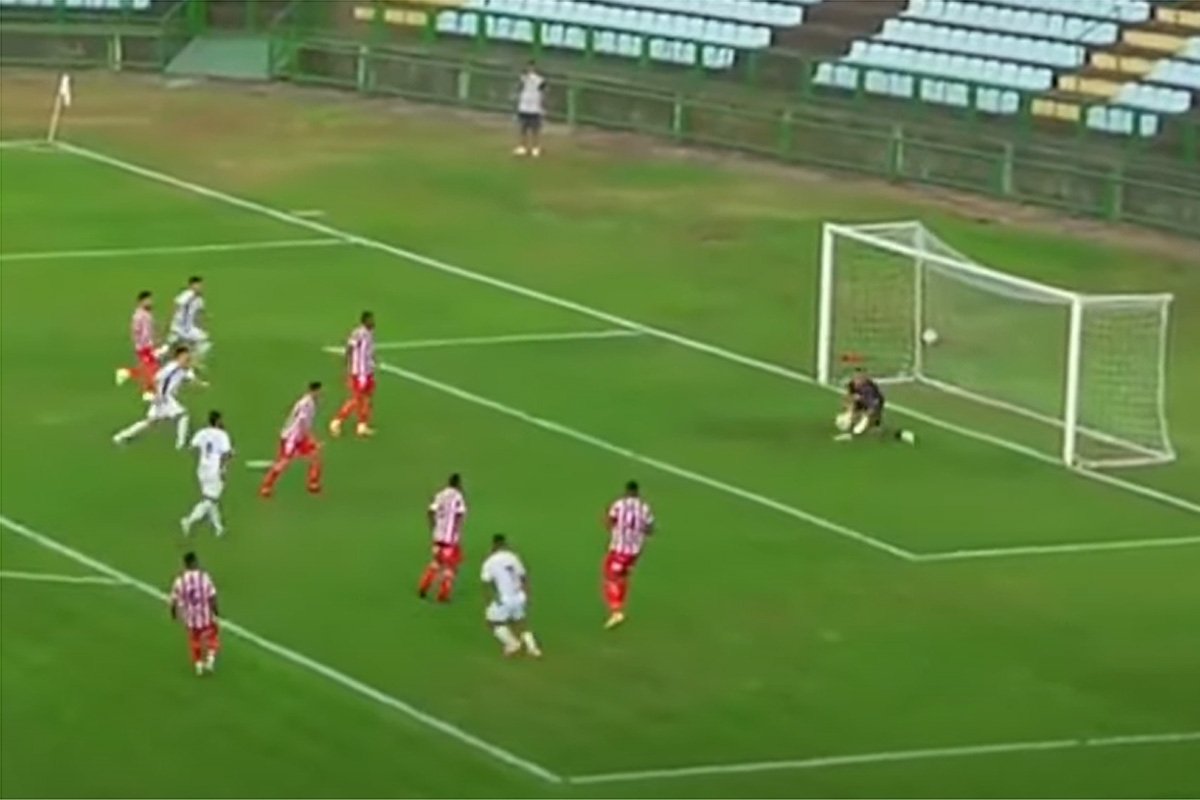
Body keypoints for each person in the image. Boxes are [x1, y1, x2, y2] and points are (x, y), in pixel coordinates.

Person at [112, 345, 202, 449]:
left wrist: (201, 383)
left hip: (163, 397)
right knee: (183, 415)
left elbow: (189, 377)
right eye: (185, 357)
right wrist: (157, 394)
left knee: (150, 422)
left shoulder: (184, 368)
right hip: (164, 397)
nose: (187, 358)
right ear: (178, 357)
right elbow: (156, 379)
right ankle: (181, 444)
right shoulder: (171, 367)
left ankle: (120, 436)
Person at [602, 480, 655, 630]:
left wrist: (615, 530)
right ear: (637, 492)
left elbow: (609, 521)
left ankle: (616, 611)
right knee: (622, 576)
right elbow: (650, 529)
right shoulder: (644, 508)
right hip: (635, 551)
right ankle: (620, 604)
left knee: (610, 576)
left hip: (619, 549)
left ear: (627, 491)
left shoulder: (619, 504)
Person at [480, 534, 541, 658]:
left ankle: (513, 644)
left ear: (494, 545)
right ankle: (533, 648)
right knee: (521, 622)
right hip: (519, 595)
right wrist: (527, 594)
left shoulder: (490, 561)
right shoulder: (513, 557)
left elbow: (486, 583)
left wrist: (488, 601)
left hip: (503, 598)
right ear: (504, 544)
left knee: (492, 622)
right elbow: (524, 576)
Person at [259, 381, 323, 497]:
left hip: (300, 437)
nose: (320, 393)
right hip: (291, 438)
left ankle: (313, 483)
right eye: (318, 391)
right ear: (313, 391)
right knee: (284, 462)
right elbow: (301, 422)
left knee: (315, 456)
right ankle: (266, 486)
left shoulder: (311, 402)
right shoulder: (306, 404)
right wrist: (310, 437)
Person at [182, 410, 233, 537]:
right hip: (214, 470)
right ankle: (188, 520)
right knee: (210, 500)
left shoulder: (202, 432)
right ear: (218, 421)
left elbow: (192, 447)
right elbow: (226, 454)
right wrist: (222, 469)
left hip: (202, 469)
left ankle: (219, 528)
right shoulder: (222, 435)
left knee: (210, 499)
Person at [418, 473, 467, 602]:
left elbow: (430, 511)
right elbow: (460, 514)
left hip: (438, 536)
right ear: (458, 483)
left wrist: (433, 527)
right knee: (450, 566)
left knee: (436, 562)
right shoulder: (458, 497)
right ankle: (443, 595)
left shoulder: (440, 494)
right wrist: (457, 531)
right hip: (450, 539)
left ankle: (423, 587)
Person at [169, 551, 220, 676]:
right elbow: (212, 596)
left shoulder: (180, 580)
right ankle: (210, 659)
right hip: (205, 616)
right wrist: (215, 611)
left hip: (190, 618)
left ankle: (198, 665)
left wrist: (173, 614)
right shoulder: (204, 577)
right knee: (213, 636)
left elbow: (173, 600)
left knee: (194, 640)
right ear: (194, 562)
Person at [837, 369, 916, 444]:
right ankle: (858, 424)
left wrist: (864, 418)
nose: (857, 380)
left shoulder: (869, 390)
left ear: (864, 379)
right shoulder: (852, 385)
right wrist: (849, 412)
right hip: (862, 407)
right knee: (851, 421)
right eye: (856, 377)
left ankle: (900, 434)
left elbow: (873, 408)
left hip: (872, 410)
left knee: (871, 432)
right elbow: (848, 398)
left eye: (860, 378)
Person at [330, 311, 376, 438]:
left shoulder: (371, 333)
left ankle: (362, 425)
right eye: (371, 319)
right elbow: (349, 348)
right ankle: (336, 421)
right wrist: (347, 364)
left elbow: (369, 350)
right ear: (365, 321)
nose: (373, 322)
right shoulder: (358, 333)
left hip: (368, 371)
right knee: (357, 399)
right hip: (359, 373)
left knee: (367, 398)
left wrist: (373, 361)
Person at [115, 290, 158, 399]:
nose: (150, 302)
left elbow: (150, 329)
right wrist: (139, 344)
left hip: (149, 345)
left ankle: (126, 373)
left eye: (150, 300)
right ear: (141, 302)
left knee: (151, 368)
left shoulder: (147, 313)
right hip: (143, 347)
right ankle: (147, 391)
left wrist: (154, 339)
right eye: (148, 300)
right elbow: (135, 331)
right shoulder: (138, 315)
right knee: (150, 369)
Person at [165, 276, 210, 363]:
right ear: (191, 286)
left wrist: (202, 326)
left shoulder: (199, 299)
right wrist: (168, 323)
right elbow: (175, 307)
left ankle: (190, 361)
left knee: (203, 341)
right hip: (178, 327)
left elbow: (198, 315)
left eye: (200, 285)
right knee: (170, 346)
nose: (200, 287)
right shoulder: (187, 295)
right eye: (197, 285)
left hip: (188, 329)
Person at [514, 61, 546, 158]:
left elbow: (543, 91)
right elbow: (519, 88)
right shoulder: (523, 79)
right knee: (523, 128)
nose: (530, 69)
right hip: (524, 107)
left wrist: (542, 105)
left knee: (535, 129)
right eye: (528, 67)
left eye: (532, 67)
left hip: (535, 108)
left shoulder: (540, 80)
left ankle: (535, 148)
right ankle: (523, 147)